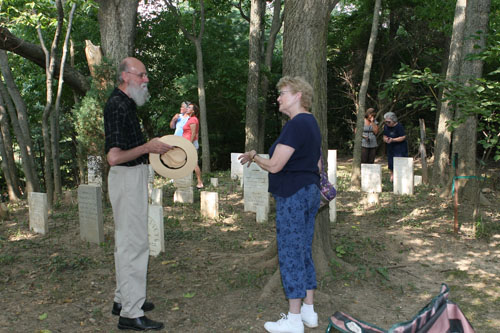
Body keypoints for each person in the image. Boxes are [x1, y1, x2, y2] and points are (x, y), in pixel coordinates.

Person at [239, 76, 321, 333]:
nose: (278, 98)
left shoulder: (296, 125)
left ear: (298, 95)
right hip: (309, 192)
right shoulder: (312, 123)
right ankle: (309, 312)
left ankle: (294, 320)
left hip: (293, 196)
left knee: (290, 253)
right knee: (303, 250)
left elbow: (275, 165)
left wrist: (255, 156)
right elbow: (318, 164)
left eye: (282, 93)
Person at [104, 57, 172, 331]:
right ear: (125, 76)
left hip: (130, 179)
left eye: (145, 75)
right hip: (126, 178)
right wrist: (147, 147)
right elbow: (114, 157)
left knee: (126, 242)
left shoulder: (125, 104)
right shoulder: (117, 106)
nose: (146, 79)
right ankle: (131, 315)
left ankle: (123, 299)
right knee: (135, 245)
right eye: (141, 75)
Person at [383, 111, 408, 182]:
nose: (387, 123)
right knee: (390, 162)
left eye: (389, 122)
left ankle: (401, 177)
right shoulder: (386, 127)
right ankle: (392, 176)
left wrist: (393, 139)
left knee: (400, 161)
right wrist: (385, 139)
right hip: (390, 147)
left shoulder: (399, 126)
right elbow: (384, 136)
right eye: (386, 122)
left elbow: (403, 137)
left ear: (393, 120)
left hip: (400, 147)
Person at [184, 103, 204, 189]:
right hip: (187, 143)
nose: (187, 108)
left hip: (190, 143)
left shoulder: (193, 119)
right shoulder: (190, 119)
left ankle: (200, 182)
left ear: (193, 111)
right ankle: (187, 181)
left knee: (194, 163)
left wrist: (190, 144)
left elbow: (193, 133)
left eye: (189, 108)